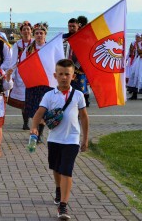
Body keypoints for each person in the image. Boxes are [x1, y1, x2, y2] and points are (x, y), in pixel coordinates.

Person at [31, 58, 89, 220]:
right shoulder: (49, 95)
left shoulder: (78, 95)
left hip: (72, 139)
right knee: (56, 168)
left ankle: (63, 206)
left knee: (66, 170)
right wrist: (34, 128)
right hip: (54, 139)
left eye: (67, 74)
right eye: (61, 74)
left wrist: (85, 139)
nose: (64, 77)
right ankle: (58, 189)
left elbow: (84, 117)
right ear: (55, 75)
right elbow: (39, 113)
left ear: (73, 76)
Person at [23, 22, 53, 143]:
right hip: (33, 83)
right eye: (37, 33)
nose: (39, 35)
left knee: (43, 109)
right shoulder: (29, 49)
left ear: (45, 35)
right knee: (34, 110)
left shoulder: (50, 47)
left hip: (46, 83)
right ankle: (34, 131)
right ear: (34, 35)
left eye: (41, 33)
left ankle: (38, 135)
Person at [8, 21, 33, 130]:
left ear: (31, 31)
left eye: (28, 29)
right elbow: (13, 61)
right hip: (21, 74)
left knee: (34, 98)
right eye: (24, 30)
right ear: (21, 32)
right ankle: (25, 122)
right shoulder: (17, 45)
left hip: (33, 73)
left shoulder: (36, 43)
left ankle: (36, 120)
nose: (26, 31)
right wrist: (12, 75)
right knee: (24, 100)